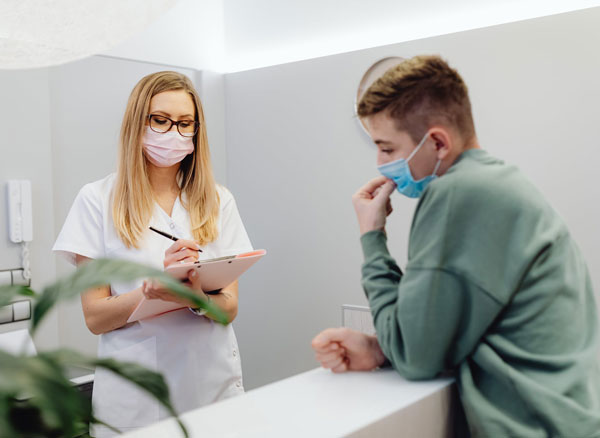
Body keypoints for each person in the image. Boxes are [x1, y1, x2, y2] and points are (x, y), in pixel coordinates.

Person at [312, 55, 600, 437]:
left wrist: (372, 235)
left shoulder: (458, 193)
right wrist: (380, 349)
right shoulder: (501, 184)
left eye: (387, 148)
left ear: (437, 142)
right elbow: (446, 333)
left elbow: (416, 355)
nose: (380, 163)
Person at [53, 71, 252, 437]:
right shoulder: (97, 200)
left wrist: (191, 296)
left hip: (211, 385)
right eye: (160, 120)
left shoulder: (217, 200)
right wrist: (155, 289)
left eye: (185, 123)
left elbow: (229, 308)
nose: (173, 132)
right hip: (138, 399)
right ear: (137, 123)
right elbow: (96, 317)